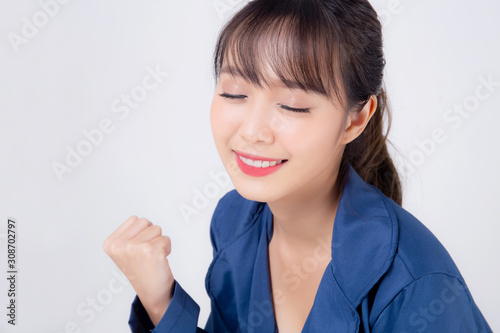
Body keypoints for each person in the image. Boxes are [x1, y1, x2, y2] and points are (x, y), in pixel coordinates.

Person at [103, 0, 493, 332]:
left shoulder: (418, 284)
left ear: (354, 120)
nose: (252, 131)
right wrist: (159, 298)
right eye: (234, 93)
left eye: (292, 105)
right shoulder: (235, 220)